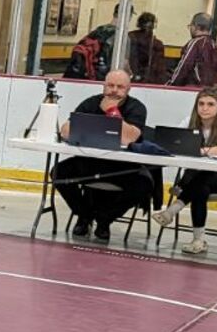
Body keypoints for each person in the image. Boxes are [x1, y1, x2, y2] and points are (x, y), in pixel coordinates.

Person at [53, 67, 154, 243]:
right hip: (89, 160)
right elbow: (65, 131)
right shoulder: (91, 103)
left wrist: (113, 112)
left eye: (120, 87)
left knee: (144, 185)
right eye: (110, 85)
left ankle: (103, 219)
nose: (114, 90)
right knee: (58, 173)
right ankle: (84, 215)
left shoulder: (136, 107)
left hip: (123, 165)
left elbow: (130, 137)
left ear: (128, 90)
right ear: (103, 87)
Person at [154, 86, 217, 258]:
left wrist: (201, 150)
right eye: (201, 103)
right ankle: (198, 240)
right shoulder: (188, 122)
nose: (205, 108)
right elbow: (175, 144)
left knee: (204, 175)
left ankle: (172, 210)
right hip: (196, 179)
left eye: (210, 104)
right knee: (200, 189)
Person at [169, 13, 217, 88]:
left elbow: (184, 67)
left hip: (193, 88)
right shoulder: (214, 45)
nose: (190, 29)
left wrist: (171, 85)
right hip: (209, 89)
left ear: (196, 27)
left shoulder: (195, 43)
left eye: (190, 26)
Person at [127, 12, 167, 83]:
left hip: (129, 78)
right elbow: (160, 70)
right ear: (154, 26)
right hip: (150, 82)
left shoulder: (130, 37)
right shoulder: (157, 44)